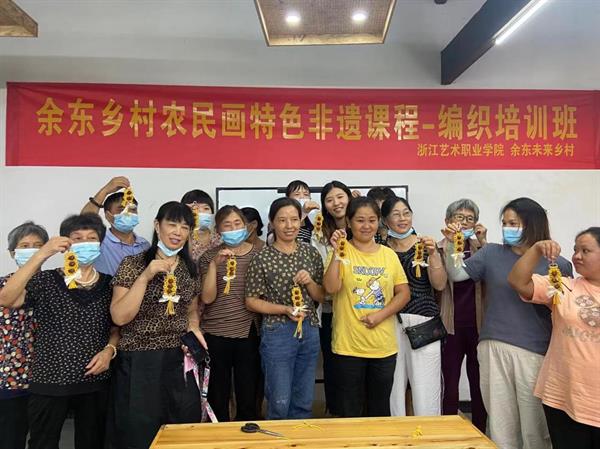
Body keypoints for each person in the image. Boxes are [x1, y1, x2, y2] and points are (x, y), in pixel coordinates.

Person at [444, 197, 572, 449]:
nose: (507, 228)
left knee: (535, 428)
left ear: (533, 224)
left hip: (534, 352)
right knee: (500, 425)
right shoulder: (491, 253)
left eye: (513, 223)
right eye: (504, 223)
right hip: (493, 346)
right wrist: (451, 245)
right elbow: (457, 274)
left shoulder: (558, 264)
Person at [0, 214, 118, 449]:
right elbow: (7, 298)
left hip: (94, 380)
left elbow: (116, 326)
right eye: (78, 238)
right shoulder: (46, 280)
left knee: (92, 442)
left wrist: (109, 350)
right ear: (66, 243)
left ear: (100, 244)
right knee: (43, 442)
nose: (85, 243)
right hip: (49, 380)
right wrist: (41, 253)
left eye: (91, 238)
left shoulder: (109, 283)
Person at [108, 201, 206, 449]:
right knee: (140, 431)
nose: (178, 232)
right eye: (172, 224)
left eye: (184, 227)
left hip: (178, 357)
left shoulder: (190, 269)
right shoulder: (134, 264)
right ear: (157, 226)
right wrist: (146, 276)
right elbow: (119, 317)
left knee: (181, 427)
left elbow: (191, 311)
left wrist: (194, 328)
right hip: (139, 358)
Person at [508, 228, 600, 449]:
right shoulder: (563, 286)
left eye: (585, 250)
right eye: (575, 250)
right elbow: (518, 281)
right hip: (563, 396)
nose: (576, 256)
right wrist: (536, 249)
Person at [323, 197, 410, 417]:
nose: (366, 226)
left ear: (378, 222)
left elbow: (403, 293)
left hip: (383, 347)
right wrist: (337, 253)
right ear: (349, 222)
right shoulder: (340, 252)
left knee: (379, 411)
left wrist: (380, 315)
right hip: (347, 347)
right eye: (360, 220)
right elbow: (331, 288)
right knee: (349, 412)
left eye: (372, 220)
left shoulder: (388, 255)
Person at [245, 197, 325, 419]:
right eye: (282, 220)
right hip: (277, 331)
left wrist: (310, 282)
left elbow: (321, 296)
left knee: (304, 400)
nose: (289, 225)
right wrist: (284, 309)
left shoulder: (311, 253)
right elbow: (251, 301)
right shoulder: (262, 257)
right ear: (272, 222)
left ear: (300, 221)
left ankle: (300, 435)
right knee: (279, 400)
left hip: (309, 329)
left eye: (294, 219)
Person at [382, 197, 447, 417]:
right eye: (396, 214)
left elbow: (440, 284)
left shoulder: (425, 245)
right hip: (389, 322)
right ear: (385, 220)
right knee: (392, 387)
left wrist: (434, 255)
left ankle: (428, 433)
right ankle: (396, 433)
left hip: (423, 323)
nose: (402, 218)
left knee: (426, 388)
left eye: (406, 213)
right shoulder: (380, 249)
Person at [198, 205, 261, 422]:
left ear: (246, 226)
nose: (234, 229)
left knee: (248, 392)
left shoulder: (258, 254)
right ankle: (219, 433)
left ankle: (247, 433)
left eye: (237, 224)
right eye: (227, 225)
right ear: (218, 230)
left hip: (248, 332)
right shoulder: (209, 256)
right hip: (215, 332)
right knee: (218, 393)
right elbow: (207, 298)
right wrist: (214, 266)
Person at [437, 199, 488, 432]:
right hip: (450, 325)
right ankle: (449, 431)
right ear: (448, 220)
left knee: (479, 383)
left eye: (470, 218)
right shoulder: (438, 248)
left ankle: (480, 430)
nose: (464, 223)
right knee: (450, 383)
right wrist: (450, 243)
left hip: (479, 325)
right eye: (459, 217)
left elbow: (493, 276)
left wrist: (484, 241)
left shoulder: (481, 249)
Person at [0, 222, 48, 449]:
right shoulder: (3, 286)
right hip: (10, 380)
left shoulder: (55, 286)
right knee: (10, 438)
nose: (32, 250)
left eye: (38, 246)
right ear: (12, 253)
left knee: (43, 440)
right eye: (25, 246)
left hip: (46, 380)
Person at [313, 180, 353, 416]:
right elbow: (318, 268)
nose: (336, 203)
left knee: (356, 363)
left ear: (349, 197)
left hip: (358, 307)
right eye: (329, 200)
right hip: (330, 308)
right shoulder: (319, 234)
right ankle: (335, 410)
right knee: (333, 362)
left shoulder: (363, 228)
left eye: (340, 197)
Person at [82, 176, 150, 275]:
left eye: (132, 209)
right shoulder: (99, 241)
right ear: (108, 215)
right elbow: (83, 223)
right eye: (121, 209)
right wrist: (105, 191)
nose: (128, 213)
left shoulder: (144, 245)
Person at [181, 189, 221, 262]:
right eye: (196, 209)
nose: (201, 212)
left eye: (206, 208)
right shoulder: (181, 237)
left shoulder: (219, 237)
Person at [285, 180, 320, 244]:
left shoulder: (311, 224)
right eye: (297, 194)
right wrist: (304, 212)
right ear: (288, 198)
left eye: (306, 194)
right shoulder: (281, 219)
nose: (302, 197)